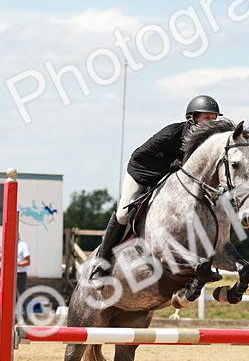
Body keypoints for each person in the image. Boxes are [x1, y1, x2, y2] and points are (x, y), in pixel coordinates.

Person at [91, 95, 222, 273]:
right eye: (207, 118)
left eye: (214, 118)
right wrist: (171, 165)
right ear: (192, 118)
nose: (211, 122)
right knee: (123, 215)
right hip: (143, 173)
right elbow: (139, 156)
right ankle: (101, 261)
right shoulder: (171, 133)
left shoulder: (207, 143)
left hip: (171, 180)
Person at [15, 231, 31, 321]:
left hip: (20, 274)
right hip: (13, 273)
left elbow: (28, 261)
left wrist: (16, 263)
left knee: (21, 294)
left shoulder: (23, 245)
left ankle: (24, 316)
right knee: (13, 296)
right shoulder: (11, 245)